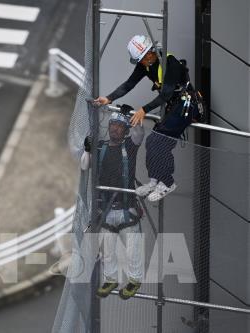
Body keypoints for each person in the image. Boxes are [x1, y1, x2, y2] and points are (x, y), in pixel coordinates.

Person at [94, 35, 193, 201]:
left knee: (160, 142)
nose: (142, 62)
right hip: (173, 106)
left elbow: (166, 93)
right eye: (140, 60)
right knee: (152, 142)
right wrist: (109, 98)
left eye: (143, 58)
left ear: (151, 53)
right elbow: (129, 84)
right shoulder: (145, 65)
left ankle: (168, 183)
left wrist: (143, 110)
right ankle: (155, 180)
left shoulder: (171, 64)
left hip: (185, 106)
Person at [81, 108, 145, 299]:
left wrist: (133, 118)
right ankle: (111, 278)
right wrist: (87, 149)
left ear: (125, 131)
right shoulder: (100, 147)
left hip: (127, 209)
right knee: (107, 249)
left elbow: (139, 134)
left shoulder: (130, 148)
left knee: (133, 248)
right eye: (112, 125)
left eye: (119, 126)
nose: (114, 129)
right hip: (105, 210)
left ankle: (134, 279)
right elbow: (84, 165)